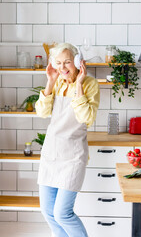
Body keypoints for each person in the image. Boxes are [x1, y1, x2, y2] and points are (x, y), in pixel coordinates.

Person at [35, 43, 100, 237]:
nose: (63, 67)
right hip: (51, 154)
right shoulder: (57, 83)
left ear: (78, 62)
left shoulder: (90, 84)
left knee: (62, 213)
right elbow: (42, 112)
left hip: (72, 157)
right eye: (58, 63)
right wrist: (50, 81)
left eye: (68, 62)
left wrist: (78, 84)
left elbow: (86, 118)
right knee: (48, 212)